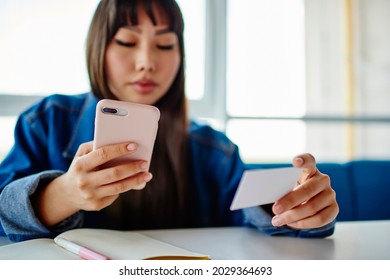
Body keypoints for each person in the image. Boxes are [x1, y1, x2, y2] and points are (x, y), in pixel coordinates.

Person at [0, 0, 338, 242]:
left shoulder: (213, 149)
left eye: (164, 44)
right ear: (98, 47)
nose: (147, 62)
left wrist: (300, 207)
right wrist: (63, 195)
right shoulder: (47, 121)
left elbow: (253, 213)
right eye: (127, 41)